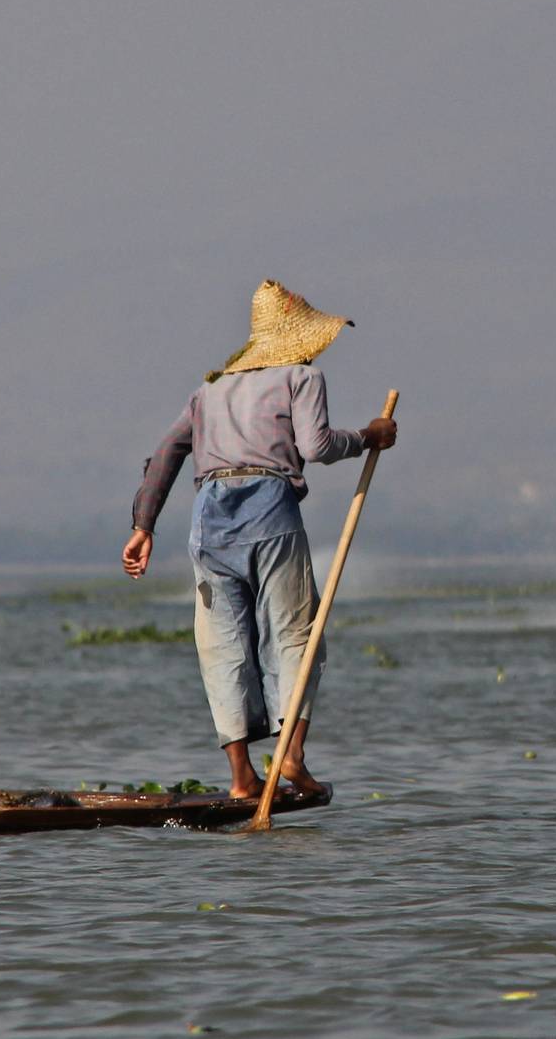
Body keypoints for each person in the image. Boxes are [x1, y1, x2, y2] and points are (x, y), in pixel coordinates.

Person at [121, 279, 397, 799]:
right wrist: (368, 437)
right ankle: (291, 756)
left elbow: (164, 455)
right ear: (304, 339)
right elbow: (316, 447)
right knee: (294, 633)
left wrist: (143, 527)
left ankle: (242, 778)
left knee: (222, 647)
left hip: (210, 522)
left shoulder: (210, 389)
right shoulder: (301, 377)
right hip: (270, 512)